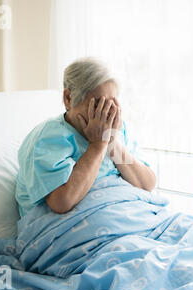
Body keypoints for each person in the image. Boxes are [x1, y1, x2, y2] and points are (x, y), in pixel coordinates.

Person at [15, 57, 156, 217]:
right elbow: (62, 202)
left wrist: (112, 142)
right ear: (68, 98)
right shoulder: (49, 138)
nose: (106, 114)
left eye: (111, 105)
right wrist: (97, 145)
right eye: (98, 105)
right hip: (70, 228)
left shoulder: (116, 129)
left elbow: (146, 184)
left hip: (125, 214)